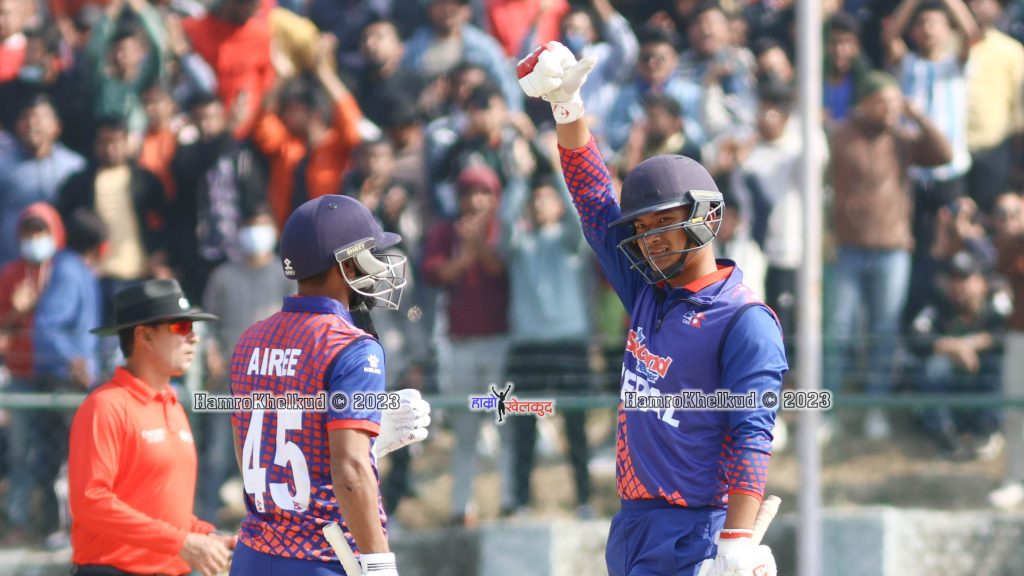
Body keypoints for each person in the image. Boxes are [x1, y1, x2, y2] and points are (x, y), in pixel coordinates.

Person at [518, 41, 784, 576]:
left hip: (697, 529)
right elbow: (595, 203)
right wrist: (568, 111)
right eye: (641, 229)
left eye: (663, 223)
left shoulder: (745, 321)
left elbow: (753, 435)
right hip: (633, 524)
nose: (650, 240)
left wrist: (735, 541)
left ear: (705, 217)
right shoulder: (647, 288)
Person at [228, 194, 429, 576]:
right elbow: (349, 468)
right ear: (347, 264)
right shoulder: (352, 347)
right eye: (370, 255)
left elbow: (256, 454)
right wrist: (379, 561)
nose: (378, 266)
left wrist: (370, 445)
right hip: (322, 556)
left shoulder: (250, 339)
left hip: (252, 554)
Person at [68, 278, 234, 576]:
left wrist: (207, 536)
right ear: (144, 336)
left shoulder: (172, 405)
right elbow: (90, 502)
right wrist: (181, 542)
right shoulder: (105, 406)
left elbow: (163, 512)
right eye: (181, 327)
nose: (194, 338)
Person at [825, 72, 952, 439]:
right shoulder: (840, 135)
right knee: (838, 332)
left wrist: (918, 115)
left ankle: (875, 408)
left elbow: (945, 154)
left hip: (892, 249)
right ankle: (828, 411)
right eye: (884, 101)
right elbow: (821, 183)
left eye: (896, 101)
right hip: (847, 248)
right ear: (865, 102)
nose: (891, 109)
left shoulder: (903, 139)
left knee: (884, 333)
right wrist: (825, 232)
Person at [197, 204, 294, 522]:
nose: (256, 234)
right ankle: (206, 519)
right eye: (250, 226)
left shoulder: (285, 276)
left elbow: (298, 325)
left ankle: (273, 520)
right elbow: (208, 324)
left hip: (274, 383)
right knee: (217, 452)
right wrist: (210, 352)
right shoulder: (223, 275)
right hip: (228, 380)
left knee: (273, 453)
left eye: (262, 226)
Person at [0, 202, 65, 545]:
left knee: (61, 454)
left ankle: (59, 523)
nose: (34, 239)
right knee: (21, 452)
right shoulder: (11, 274)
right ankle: (19, 520)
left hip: (58, 375)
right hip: (22, 375)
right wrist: (17, 310)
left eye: (40, 232)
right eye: (28, 233)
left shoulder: (64, 272)